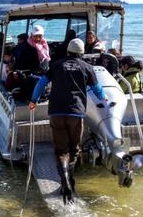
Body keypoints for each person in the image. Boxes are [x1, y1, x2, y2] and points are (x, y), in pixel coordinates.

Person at [28, 38, 107, 203]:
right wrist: (104, 98)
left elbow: (41, 83)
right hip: (76, 114)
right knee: (73, 150)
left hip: (56, 112)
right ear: (81, 53)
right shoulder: (87, 67)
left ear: (68, 51)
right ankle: (69, 182)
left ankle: (64, 181)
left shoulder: (56, 65)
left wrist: (34, 100)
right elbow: (98, 90)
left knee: (61, 151)